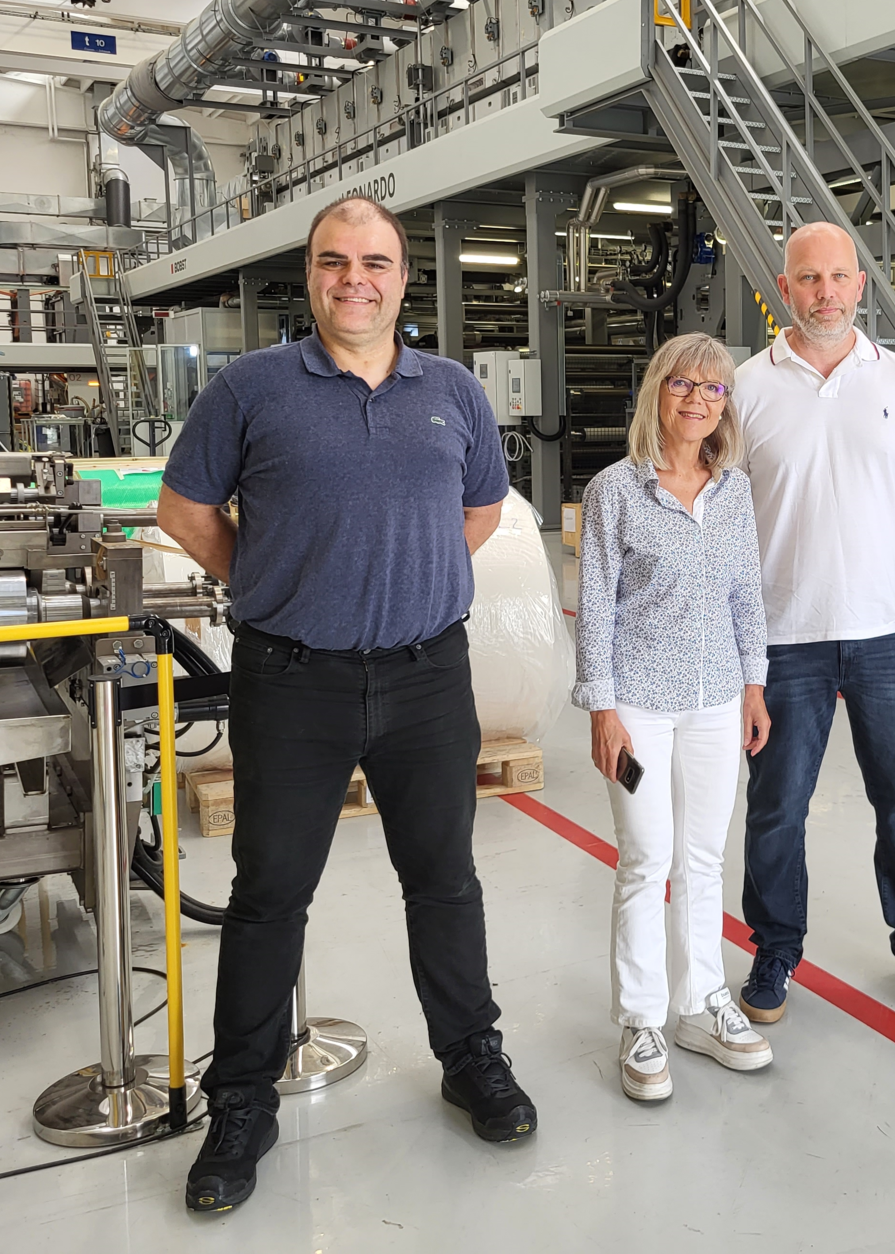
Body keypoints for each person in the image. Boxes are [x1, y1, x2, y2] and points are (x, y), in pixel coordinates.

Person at [158, 195, 536, 1214]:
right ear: (311, 275)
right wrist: (274, 577)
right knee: (270, 894)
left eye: (375, 262)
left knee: (445, 881)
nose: (355, 279)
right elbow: (185, 508)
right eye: (335, 262)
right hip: (292, 680)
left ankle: (471, 1058)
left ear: (403, 279)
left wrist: (411, 579)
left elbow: (484, 505)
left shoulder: (450, 391)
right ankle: (241, 1099)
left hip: (426, 679)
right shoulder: (252, 388)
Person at [731, 221, 895, 1023]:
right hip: (782, 635)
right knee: (777, 803)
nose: (824, 293)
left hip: (884, 633)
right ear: (784, 288)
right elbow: (726, 507)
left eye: (838, 278)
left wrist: (872, 554)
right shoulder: (746, 386)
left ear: (861, 285)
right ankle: (775, 947)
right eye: (807, 279)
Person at [574, 333, 775, 1102]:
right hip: (641, 708)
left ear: (726, 405)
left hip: (718, 701)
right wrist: (603, 708)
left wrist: (754, 686)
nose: (698, 399)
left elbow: (745, 596)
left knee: (701, 861)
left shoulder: (733, 491)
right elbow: (593, 605)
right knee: (645, 860)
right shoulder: (615, 490)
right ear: (658, 391)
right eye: (683, 384)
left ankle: (701, 1005)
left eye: (714, 389)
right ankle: (642, 1018)